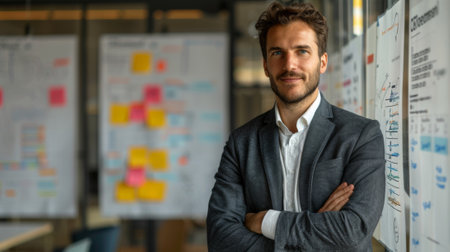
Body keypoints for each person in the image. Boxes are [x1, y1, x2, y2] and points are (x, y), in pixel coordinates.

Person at [207, 1, 385, 252]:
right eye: (277, 52)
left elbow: (353, 231)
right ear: (266, 65)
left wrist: (265, 220)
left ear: (322, 62)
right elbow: (221, 238)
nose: (290, 65)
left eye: (302, 51)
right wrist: (317, 233)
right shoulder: (242, 143)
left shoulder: (360, 136)